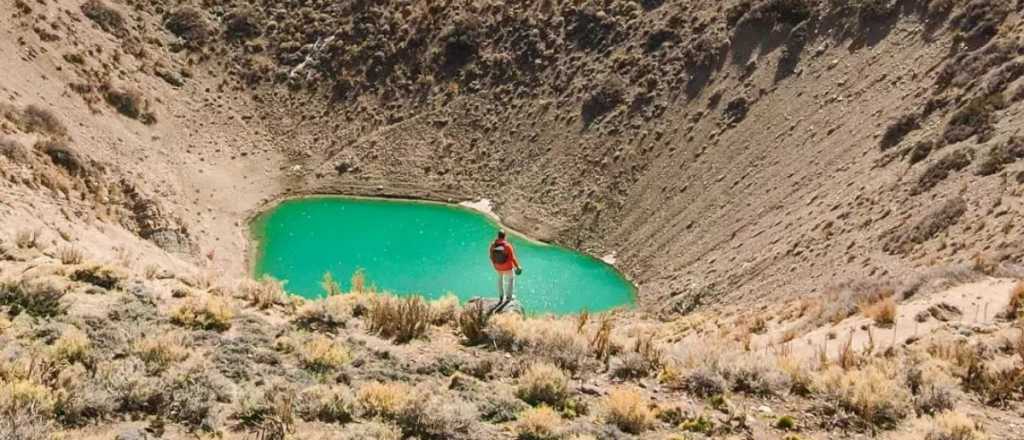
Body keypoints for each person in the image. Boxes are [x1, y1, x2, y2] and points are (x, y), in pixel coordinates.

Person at [489, 230, 522, 306]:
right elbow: (512, 258)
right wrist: (518, 266)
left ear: (498, 236)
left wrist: (495, 265)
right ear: (505, 236)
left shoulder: (492, 245)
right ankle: (509, 297)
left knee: (500, 279)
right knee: (511, 279)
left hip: (497, 267)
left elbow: (491, 256)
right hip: (507, 267)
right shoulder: (507, 246)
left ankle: (501, 296)